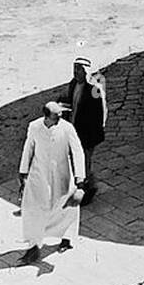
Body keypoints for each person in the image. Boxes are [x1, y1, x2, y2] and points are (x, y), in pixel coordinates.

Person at [17, 101, 86, 264]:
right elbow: (28, 148)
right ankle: (33, 246)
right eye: (56, 116)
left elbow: (78, 151)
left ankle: (66, 238)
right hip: (38, 174)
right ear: (46, 116)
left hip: (62, 174)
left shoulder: (67, 128)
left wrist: (80, 177)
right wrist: (23, 171)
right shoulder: (34, 127)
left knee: (66, 207)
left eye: (60, 115)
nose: (59, 119)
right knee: (32, 209)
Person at [58, 56, 107, 203]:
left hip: (87, 134)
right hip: (74, 130)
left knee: (84, 164)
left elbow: (99, 114)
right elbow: (71, 102)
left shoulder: (94, 90)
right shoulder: (73, 84)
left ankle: (87, 191)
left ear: (87, 72)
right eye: (75, 69)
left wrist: (91, 136)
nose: (76, 73)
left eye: (79, 70)